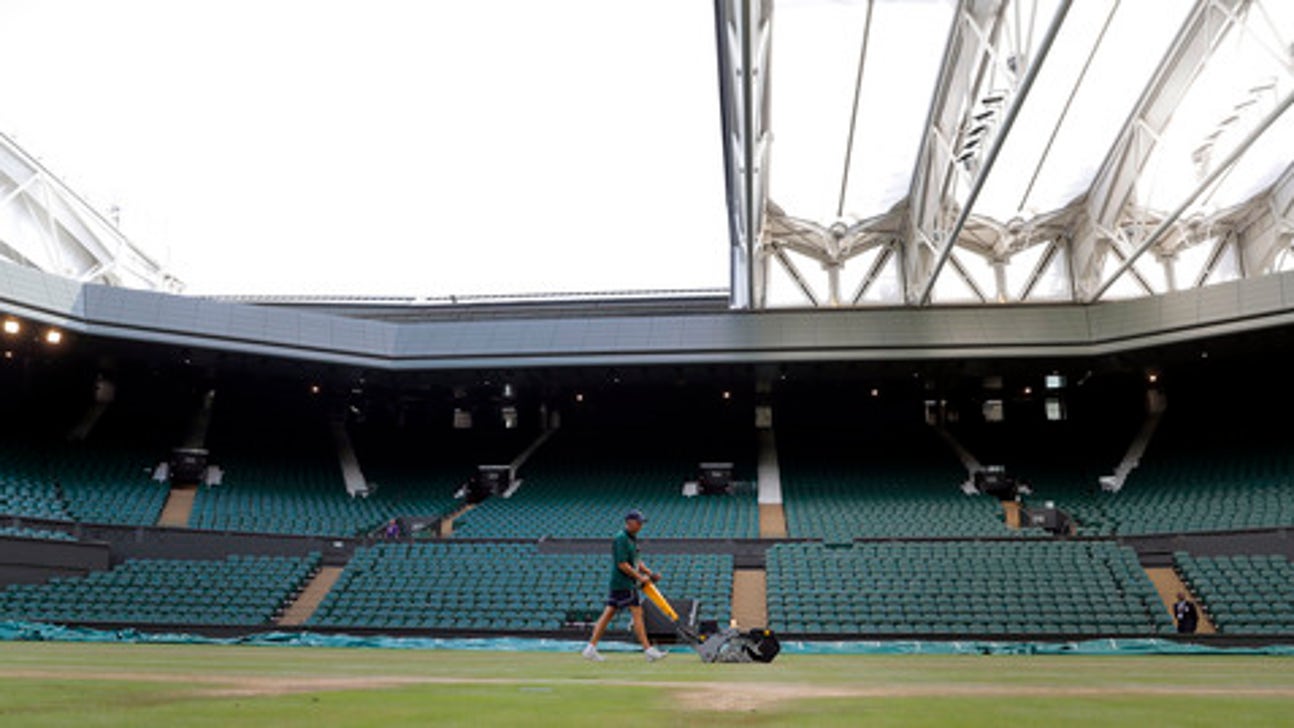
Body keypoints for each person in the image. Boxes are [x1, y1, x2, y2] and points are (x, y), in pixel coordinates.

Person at [581, 509, 668, 662]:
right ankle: (648, 650)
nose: (641, 525)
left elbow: (636, 561)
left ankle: (590, 648)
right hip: (624, 583)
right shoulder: (621, 539)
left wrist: (650, 573)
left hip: (620, 584)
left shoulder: (632, 539)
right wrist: (640, 578)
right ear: (630, 523)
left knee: (607, 615)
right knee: (637, 613)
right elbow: (622, 564)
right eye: (638, 522)